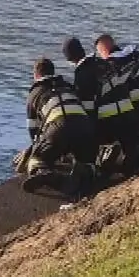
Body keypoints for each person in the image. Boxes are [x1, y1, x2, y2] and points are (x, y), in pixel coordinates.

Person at [20, 57, 98, 192]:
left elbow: (33, 129)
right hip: (84, 126)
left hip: (58, 127)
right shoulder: (67, 86)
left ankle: (44, 174)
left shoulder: (34, 93)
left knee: (36, 160)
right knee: (87, 160)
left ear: (36, 75)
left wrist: (38, 148)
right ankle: (85, 171)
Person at [94, 34, 139, 169]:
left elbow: (116, 91)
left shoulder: (112, 64)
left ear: (104, 51)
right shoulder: (138, 54)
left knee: (119, 110)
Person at [61, 36, 107, 110]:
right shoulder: (99, 61)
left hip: (105, 115)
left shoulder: (81, 73)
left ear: (70, 58)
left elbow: (86, 104)